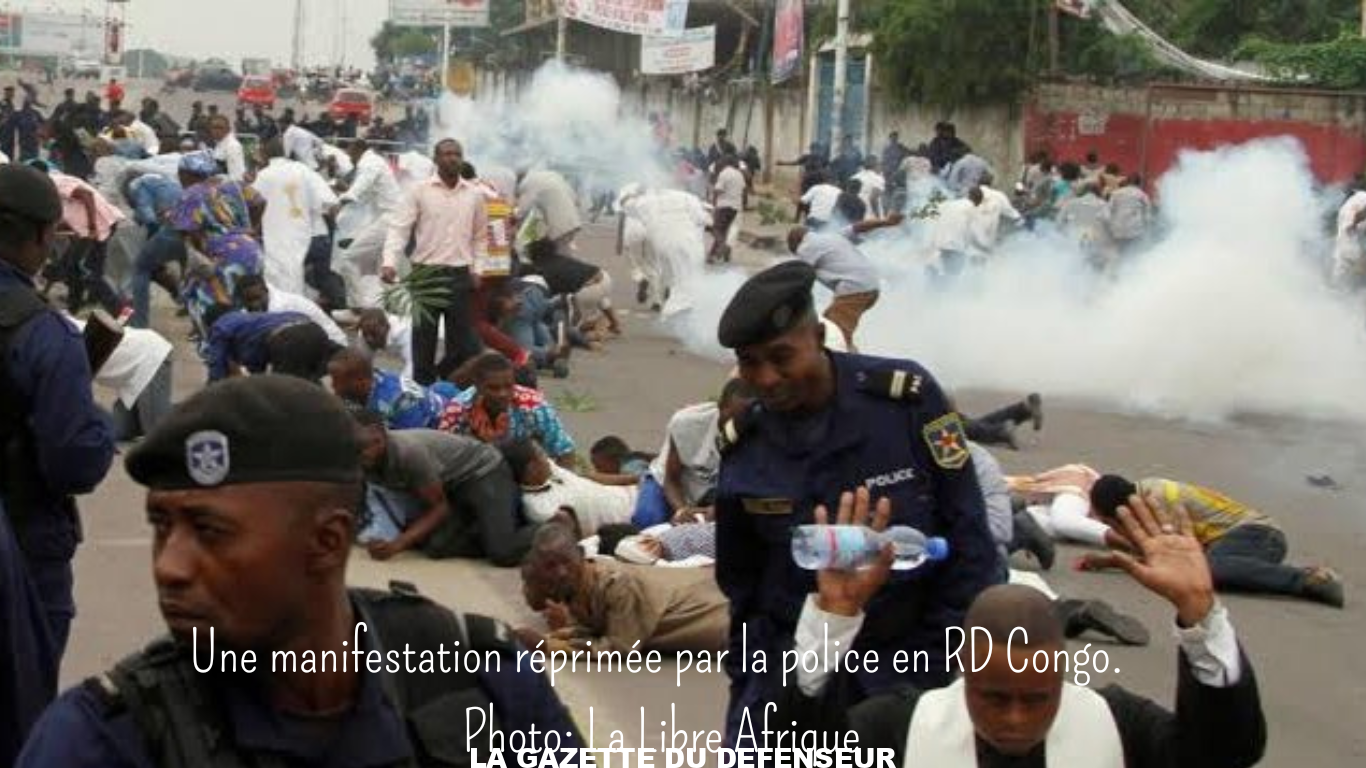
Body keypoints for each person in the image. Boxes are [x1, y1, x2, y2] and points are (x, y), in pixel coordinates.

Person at [16, 375, 583, 767]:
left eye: (210, 532)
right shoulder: (107, 739)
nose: (170, 567)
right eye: (163, 526)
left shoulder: (474, 677)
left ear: (328, 541)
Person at [712, 260, 999, 741]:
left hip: (907, 665)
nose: (764, 377)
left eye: (781, 357)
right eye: (749, 361)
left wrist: (936, 666)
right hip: (794, 668)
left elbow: (969, 537)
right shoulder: (745, 444)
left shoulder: (908, 400)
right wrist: (750, 684)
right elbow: (743, 586)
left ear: (819, 336)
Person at [778, 490, 1267, 768]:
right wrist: (831, 621)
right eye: (994, 697)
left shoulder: (1114, 724)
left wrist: (1201, 614)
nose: (1015, 719)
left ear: (1061, 673)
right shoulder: (902, 729)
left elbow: (1221, 755)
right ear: (964, 671)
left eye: (1036, 699)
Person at [0, 164, 116, 764]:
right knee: (20, 718)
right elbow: (75, 461)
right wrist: (100, 422)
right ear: (39, 236)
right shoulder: (45, 334)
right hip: (25, 548)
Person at [1088, 474, 1345, 607]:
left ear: (1119, 513)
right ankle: (1275, 573)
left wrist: (1116, 561)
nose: (1114, 529)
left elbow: (1175, 562)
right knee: (1211, 568)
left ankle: (1308, 580)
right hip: (1241, 542)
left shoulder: (1157, 502)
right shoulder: (1143, 493)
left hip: (1259, 534)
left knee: (1208, 571)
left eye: (1110, 522)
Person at [517, 524, 729, 654]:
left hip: (720, 617)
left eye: (566, 561)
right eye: (550, 566)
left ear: (581, 555)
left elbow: (620, 647)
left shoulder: (615, 583)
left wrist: (548, 646)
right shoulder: (575, 585)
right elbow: (600, 626)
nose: (561, 571)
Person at [354, 411, 532, 566]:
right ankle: (489, 525)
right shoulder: (354, 454)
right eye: (359, 448)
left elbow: (440, 508)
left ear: (383, 436)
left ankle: (550, 526)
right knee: (436, 547)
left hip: (483, 471)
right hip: (451, 486)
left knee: (503, 552)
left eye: (373, 444)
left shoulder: (408, 454)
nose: (367, 453)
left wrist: (396, 545)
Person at [383, 139, 487, 385]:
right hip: (426, 275)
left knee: (461, 345)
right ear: (436, 159)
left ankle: (448, 389)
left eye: (457, 154)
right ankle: (423, 391)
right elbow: (399, 229)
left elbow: (480, 237)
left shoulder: (474, 195)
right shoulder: (419, 190)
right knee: (423, 342)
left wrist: (478, 269)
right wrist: (389, 262)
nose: (452, 158)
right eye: (447, 154)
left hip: (459, 276)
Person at [633, 379, 756, 529]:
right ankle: (642, 476)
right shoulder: (686, 423)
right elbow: (671, 479)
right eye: (733, 417)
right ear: (720, 406)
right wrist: (681, 510)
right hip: (669, 483)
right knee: (647, 519)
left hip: (713, 490)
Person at [169, 151, 265, 327]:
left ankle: (223, 346)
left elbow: (190, 232)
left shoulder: (190, 194)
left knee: (219, 310)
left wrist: (204, 255)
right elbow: (259, 202)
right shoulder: (234, 184)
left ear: (186, 174)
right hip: (252, 250)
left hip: (222, 255)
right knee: (250, 303)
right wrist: (252, 228)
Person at [438, 352, 577, 465]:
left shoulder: (534, 406)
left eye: (508, 386)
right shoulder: (458, 410)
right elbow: (443, 456)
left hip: (530, 475)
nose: (503, 394)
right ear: (477, 385)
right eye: (494, 388)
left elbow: (565, 451)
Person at [251, 138, 338, 297]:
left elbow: (253, 203)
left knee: (284, 280)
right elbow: (329, 202)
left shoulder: (264, 175)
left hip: (282, 238)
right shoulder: (302, 169)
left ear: (264, 155)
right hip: (316, 236)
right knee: (310, 277)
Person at [502, 440, 637, 536]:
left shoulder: (549, 470)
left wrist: (634, 479)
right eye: (542, 454)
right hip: (635, 517)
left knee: (638, 465)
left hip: (634, 492)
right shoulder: (540, 507)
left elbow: (584, 477)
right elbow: (573, 535)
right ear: (532, 469)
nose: (548, 458)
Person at [787, 226, 880, 348]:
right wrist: (885, 221)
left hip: (854, 289)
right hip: (872, 288)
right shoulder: (832, 236)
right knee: (828, 329)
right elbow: (858, 226)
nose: (797, 254)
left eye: (794, 252)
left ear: (796, 243)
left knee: (834, 335)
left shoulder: (806, 247)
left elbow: (799, 277)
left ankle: (852, 364)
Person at [337, 137, 402, 309]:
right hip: (390, 219)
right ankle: (398, 310)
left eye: (350, 153)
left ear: (358, 149)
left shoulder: (369, 162)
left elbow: (358, 189)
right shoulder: (373, 162)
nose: (349, 157)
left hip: (389, 219)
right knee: (385, 270)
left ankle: (357, 309)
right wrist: (345, 192)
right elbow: (362, 195)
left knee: (347, 260)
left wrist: (341, 199)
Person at [200, 306, 336, 383]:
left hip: (288, 338)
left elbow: (216, 367)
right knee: (309, 383)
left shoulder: (220, 325)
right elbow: (256, 368)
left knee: (287, 394)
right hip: (315, 330)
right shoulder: (253, 319)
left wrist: (209, 394)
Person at [328, 347, 449, 430]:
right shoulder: (371, 378)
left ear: (361, 382)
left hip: (441, 425)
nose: (333, 386)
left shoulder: (396, 402)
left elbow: (418, 440)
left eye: (339, 382)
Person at [124, 170, 186, 328]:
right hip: (191, 229)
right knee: (190, 274)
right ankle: (188, 305)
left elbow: (148, 217)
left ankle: (140, 324)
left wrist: (151, 238)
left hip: (171, 229)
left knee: (141, 268)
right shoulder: (164, 178)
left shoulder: (137, 186)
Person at [524, 237, 622, 336]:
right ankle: (615, 323)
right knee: (600, 296)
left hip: (588, 290)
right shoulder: (561, 257)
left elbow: (556, 295)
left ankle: (596, 323)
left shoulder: (544, 269)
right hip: (604, 277)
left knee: (569, 328)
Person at [517, 167, 582, 253]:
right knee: (563, 251)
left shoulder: (527, 183)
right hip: (575, 221)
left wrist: (516, 223)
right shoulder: (552, 176)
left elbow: (523, 209)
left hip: (560, 227)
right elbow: (577, 201)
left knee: (560, 255)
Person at [931, 187, 988, 277]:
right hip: (954, 248)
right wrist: (986, 249)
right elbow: (976, 234)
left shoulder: (950, 204)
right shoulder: (972, 208)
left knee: (937, 279)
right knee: (951, 280)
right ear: (978, 201)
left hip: (937, 246)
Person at [1101, 174, 1151, 257]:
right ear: (1139, 183)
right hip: (1134, 231)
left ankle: (1120, 267)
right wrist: (1147, 232)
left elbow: (1106, 212)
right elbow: (1147, 216)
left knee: (1119, 254)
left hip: (1118, 230)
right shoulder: (1142, 195)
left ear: (1127, 182)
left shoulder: (1116, 193)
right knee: (1133, 255)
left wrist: (1109, 227)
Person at [711, 155, 746, 264]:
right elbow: (744, 191)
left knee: (716, 230)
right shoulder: (739, 174)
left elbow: (717, 190)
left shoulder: (724, 173)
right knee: (724, 231)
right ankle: (715, 256)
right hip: (736, 208)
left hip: (723, 206)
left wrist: (713, 204)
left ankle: (722, 247)